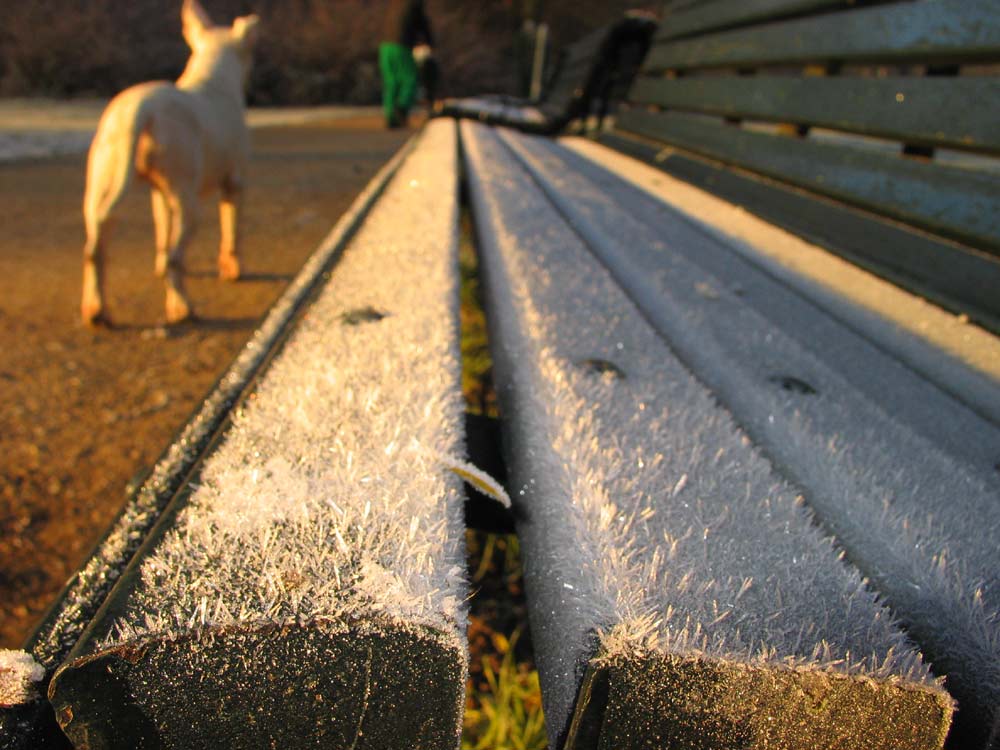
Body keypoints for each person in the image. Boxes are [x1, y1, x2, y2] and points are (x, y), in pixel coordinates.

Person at [379, 0, 434, 128]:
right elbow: (422, 24)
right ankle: (401, 109)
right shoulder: (414, 4)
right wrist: (429, 42)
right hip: (401, 44)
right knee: (410, 79)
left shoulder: (394, 4)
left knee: (392, 82)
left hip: (385, 46)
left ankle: (390, 117)